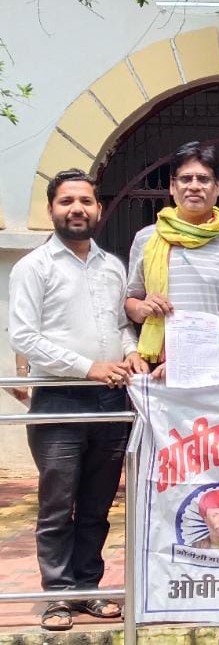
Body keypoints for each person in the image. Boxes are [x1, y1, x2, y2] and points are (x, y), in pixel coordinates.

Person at [8, 168, 148, 631]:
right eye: (67, 201)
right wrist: (88, 366)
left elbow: (121, 326)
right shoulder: (34, 267)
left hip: (110, 399)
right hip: (59, 399)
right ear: (51, 209)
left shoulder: (112, 267)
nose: (77, 209)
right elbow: (24, 335)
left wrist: (131, 353)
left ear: (98, 209)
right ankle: (57, 596)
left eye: (85, 201)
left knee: (97, 504)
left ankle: (87, 588)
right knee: (57, 504)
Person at [125, 141, 219, 377]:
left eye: (204, 179)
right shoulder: (146, 238)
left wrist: (194, 359)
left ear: (217, 188)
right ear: (172, 186)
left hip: (216, 364)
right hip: (157, 366)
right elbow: (131, 303)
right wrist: (143, 307)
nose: (194, 186)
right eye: (186, 179)